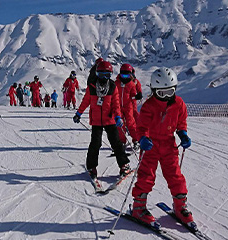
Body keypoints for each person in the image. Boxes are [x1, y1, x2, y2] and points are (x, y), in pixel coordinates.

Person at [130, 67, 193, 225]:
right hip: (150, 145)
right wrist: (143, 138)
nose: (165, 97)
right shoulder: (149, 106)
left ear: (175, 89)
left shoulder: (179, 104)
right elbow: (141, 127)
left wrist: (183, 134)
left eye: (169, 92)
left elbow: (181, 122)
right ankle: (138, 207)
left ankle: (180, 206)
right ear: (153, 90)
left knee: (175, 175)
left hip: (169, 144)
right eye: (161, 93)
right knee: (146, 175)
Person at [73, 60, 130, 179]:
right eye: (102, 75)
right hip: (96, 121)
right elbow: (85, 101)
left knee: (116, 143)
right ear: (97, 74)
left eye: (107, 75)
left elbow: (116, 104)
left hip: (110, 120)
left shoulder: (113, 87)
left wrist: (118, 116)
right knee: (95, 143)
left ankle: (124, 165)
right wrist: (78, 113)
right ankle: (91, 167)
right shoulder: (92, 87)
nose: (105, 78)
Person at [114, 63, 139, 148]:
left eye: (127, 76)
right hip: (118, 107)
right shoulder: (116, 83)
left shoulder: (131, 84)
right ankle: (122, 141)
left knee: (131, 123)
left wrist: (136, 96)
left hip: (128, 106)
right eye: (123, 76)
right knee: (120, 125)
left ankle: (136, 140)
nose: (125, 78)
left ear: (130, 75)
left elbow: (133, 95)